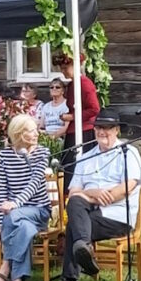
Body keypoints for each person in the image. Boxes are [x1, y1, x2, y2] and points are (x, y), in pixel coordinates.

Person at [48, 108, 141, 281]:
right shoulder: (85, 156)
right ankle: (84, 248)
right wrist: (94, 193)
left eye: (107, 128)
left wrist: (94, 195)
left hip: (117, 216)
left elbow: (127, 187)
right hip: (88, 212)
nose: (102, 132)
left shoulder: (128, 152)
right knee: (74, 204)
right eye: (99, 127)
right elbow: (73, 193)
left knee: (75, 226)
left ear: (117, 130)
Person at [0, 114, 52, 281]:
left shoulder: (42, 153)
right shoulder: (2, 156)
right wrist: (0, 225)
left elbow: (34, 184)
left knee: (13, 215)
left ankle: (6, 265)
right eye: (31, 130)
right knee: (22, 227)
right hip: (16, 217)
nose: (37, 133)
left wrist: (15, 204)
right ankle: (17, 280)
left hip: (39, 210)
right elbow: (1, 191)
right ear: (19, 134)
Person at [54, 53, 101, 191]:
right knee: (69, 166)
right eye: (61, 68)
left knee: (77, 165)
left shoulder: (85, 84)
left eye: (65, 68)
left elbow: (94, 109)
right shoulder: (73, 84)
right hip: (74, 130)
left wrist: (72, 117)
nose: (63, 71)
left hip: (84, 130)